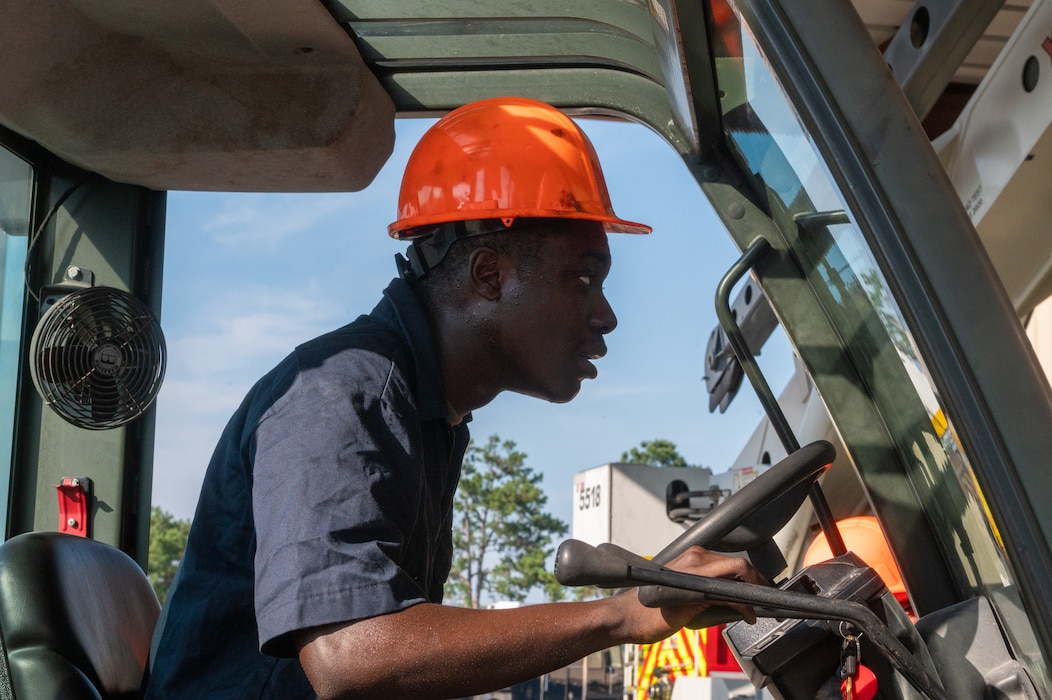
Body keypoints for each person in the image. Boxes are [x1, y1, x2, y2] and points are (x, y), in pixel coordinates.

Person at [144, 96, 766, 699]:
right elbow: (350, 656)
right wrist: (617, 617)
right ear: (489, 276)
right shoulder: (341, 393)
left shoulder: (425, 412)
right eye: (583, 279)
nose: (606, 316)